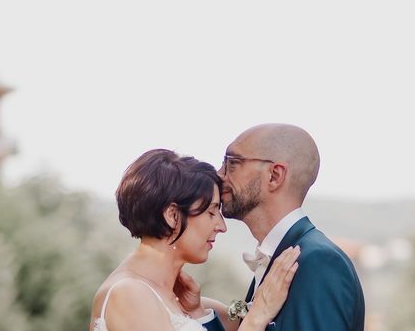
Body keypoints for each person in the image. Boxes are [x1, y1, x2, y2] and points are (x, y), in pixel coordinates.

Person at [90, 149, 300, 331]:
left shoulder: (186, 300)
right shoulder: (129, 294)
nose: (222, 226)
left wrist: (200, 314)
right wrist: (256, 317)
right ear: (172, 215)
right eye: (211, 212)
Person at [196, 124, 366, 330]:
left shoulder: (317, 263)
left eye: (232, 163)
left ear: (274, 176)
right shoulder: (284, 257)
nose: (219, 174)